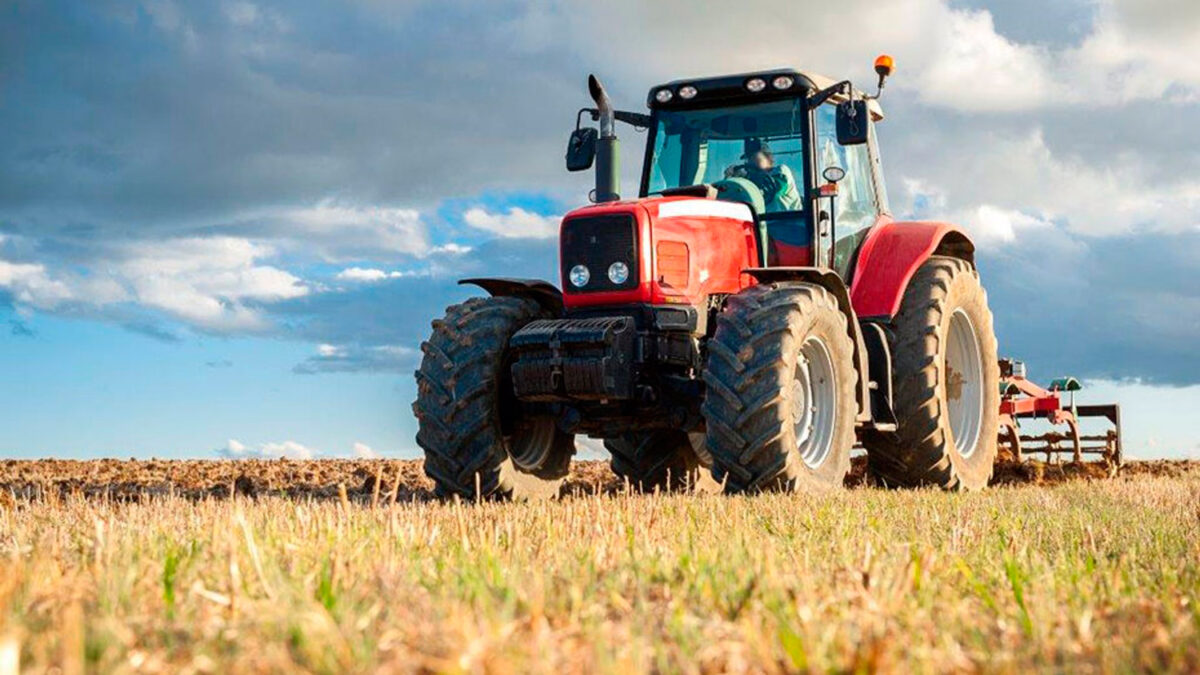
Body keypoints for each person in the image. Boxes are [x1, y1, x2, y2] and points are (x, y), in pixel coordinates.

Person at [724, 138, 802, 212]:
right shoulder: (752, 182)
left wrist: (745, 178)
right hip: (764, 224)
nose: (749, 162)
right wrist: (732, 182)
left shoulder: (781, 171)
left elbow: (771, 189)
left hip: (789, 222)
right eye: (747, 159)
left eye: (754, 157)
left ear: (768, 158)